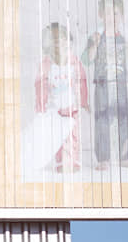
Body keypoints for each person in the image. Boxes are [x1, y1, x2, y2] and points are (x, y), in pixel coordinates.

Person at [82, 0, 128, 171]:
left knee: (123, 119)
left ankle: (124, 156)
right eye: (107, 13)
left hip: (120, 85)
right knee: (102, 120)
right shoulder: (95, 36)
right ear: (100, 14)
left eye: (116, 13)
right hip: (102, 85)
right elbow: (86, 60)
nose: (112, 17)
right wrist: (94, 46)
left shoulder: (126, 37)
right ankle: (103, 157)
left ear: (122, 16)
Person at [35, 22, 89, 173]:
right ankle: (60, 162)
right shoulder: (45, 63)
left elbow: (82, 80)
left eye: (63, 38)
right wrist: (41, 105)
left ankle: (72, 160)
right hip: (54, 109)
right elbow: (40, 85)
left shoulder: (74, 61)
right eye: (55, 40)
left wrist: (83, 100)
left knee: (73, 134)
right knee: (56, 135)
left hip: (72, 106)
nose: (60, 42)